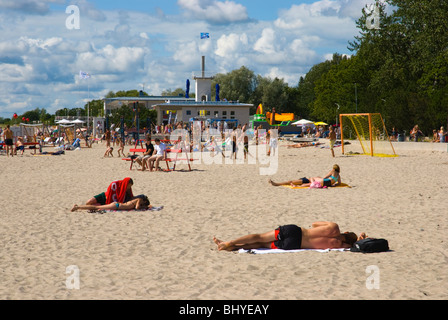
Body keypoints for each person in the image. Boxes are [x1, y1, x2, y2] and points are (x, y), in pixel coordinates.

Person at [213, 221, 367, 251]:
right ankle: (232, 247)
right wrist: (359, 239)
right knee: (262, 245)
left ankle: (230, 242)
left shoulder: (334, 227)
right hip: (295, 245)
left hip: (296, 231)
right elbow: (354, 247)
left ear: (345, 232)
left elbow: (314, 224)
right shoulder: (340, 245)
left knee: (260, 236)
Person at [72, 194, 150, 212]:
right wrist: (144, 207)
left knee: (96, 207)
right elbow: (137, 208)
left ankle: (78, 206)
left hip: (117, 204)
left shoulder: (135, 199)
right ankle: (77, 207)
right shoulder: (139, 199)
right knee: (95, 207)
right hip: (116, 206)